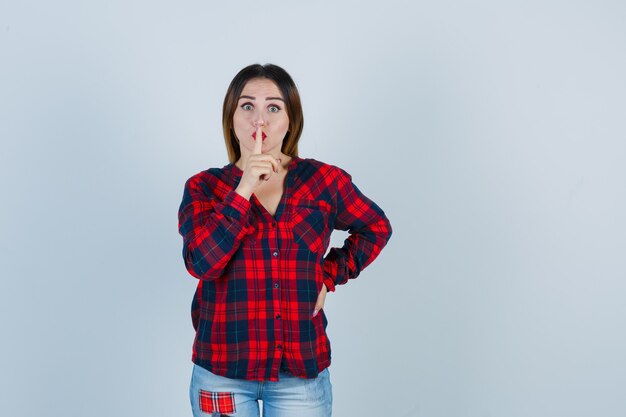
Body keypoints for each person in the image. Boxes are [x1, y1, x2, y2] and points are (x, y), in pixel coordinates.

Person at [178, 63, 392, 417]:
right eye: (247, 106)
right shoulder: (204, 187)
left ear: (291, 120)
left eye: (273, 107)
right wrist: (243, 189)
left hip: (301, 375)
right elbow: (202, 262)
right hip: (221, 373)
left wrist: (328, 274)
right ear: (231, 117)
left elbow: (376, 227)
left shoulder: (325, 181)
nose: (259, 120)